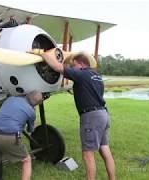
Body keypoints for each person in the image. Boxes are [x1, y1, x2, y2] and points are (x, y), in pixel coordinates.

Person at [41, 50, 115, 180]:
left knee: (87, 153)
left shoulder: (81, 74)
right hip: (103, 114)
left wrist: (42, 54)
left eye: (73, 65)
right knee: (105, 150)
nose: (72, 68)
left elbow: (58, 67)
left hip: (91, 117)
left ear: (81, 64)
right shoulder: (96, 76)